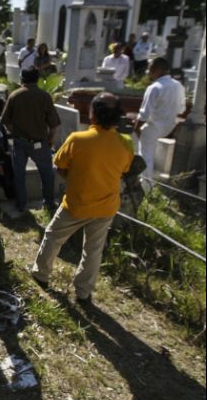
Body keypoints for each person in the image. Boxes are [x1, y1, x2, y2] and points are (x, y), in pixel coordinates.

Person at [31, 93, 134, 304]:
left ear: (93, 114)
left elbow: (60, 166)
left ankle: (41, 274)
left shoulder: (77, 139)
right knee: (93, 250)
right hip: (106, 206)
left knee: (53, 235)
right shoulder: (126, 144)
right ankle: (84, 292)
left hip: (77, 203)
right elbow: (123, 171)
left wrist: (76, 179)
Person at [0, 67, 61, 212]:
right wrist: (50, 140)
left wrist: (15, 132)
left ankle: (21, 204)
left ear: (22, 78)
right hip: (40, 143)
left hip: (20, 142)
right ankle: (49, 203)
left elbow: (5, 120)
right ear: (37, 79)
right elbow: (53, 124)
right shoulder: (44, 96)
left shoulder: (14, 95)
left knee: (19, 175)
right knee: (46, 174)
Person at [133, 57, 186, 186]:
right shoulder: (178, 85)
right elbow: (182, 109)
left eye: (150, 69)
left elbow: (144, 114)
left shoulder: (154, 87)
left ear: (158, 69)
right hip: (168, 126)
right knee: (148, 153)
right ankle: (145, 181)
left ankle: (146, 186)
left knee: (145, 156)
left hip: (153, 126)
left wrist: (136, 128)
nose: (148, 72)